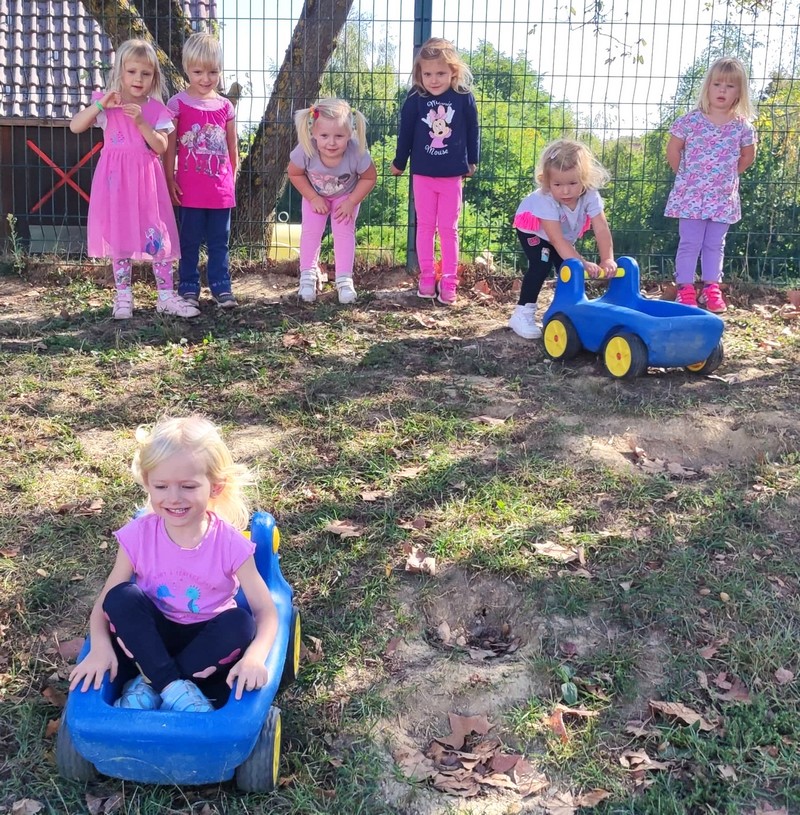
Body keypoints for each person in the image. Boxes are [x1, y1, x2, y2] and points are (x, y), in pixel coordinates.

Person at [68, 416, 279, 712]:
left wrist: (255, 657)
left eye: (188, 486)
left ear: (215, 487)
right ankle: (174, 689)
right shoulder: (138, 535)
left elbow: (266, 612)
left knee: (240, 623)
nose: (174, 498)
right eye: (161, 486)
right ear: (148, 484)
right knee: (121, 597)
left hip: (206, 642)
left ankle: (152, 685)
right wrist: (100, 647)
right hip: (150, 638)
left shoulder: (231, 544)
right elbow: (106, 602)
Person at [70, 40, 199, 320]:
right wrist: (100, 104)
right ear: (120, 71)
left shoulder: (156, 109)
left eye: (145, 73)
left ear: (154, 77)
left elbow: (161, 146)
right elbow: (75, 126)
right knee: (120, 236)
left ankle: (166, 296)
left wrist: (141, 122)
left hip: (147, 184)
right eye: (131, 72)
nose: (138, 79)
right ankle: (123, 296)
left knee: (157, 235)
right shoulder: (108, 105)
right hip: (116, 184)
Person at [391, 37, 480, 306]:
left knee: (448, 229)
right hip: (423, 174)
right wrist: (399, 162)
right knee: (426, 227)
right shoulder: (415, 98)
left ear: (453, 71)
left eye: (440, 73)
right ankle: (427, 278)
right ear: (419, 73)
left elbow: (473, 130)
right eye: (427, 74)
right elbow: (406, 132)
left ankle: (449, 281)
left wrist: (472, 160)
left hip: (452, 176)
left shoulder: (463, 97)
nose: (433, 79)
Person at [665, 57, 756, 313]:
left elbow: (748, 156)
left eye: (730, 86)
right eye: (717, 84)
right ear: (708, 87)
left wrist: (726, 177)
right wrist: (686, 176)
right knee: (690, 242)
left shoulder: (742, 127)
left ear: (739, 91)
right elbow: (673, 149)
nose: (722, 90)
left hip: (723, 197)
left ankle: (711, 288)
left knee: (715, 243)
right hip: (691, 195)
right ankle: (685, 288)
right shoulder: (690, 121)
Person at [509, 139, 616, 339]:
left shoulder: (590, 195)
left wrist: (607, 259)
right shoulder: (545, 199)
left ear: (584, 178)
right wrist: (583, 262)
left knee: (569, 269)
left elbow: (601, 228)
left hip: (561, 236)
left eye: (573, 183)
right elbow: (556, 240)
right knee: (541, 264)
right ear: (547, 182)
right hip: (534, 232)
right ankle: (523, 313)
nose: (565, 191)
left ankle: (570, 310)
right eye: (557, 184)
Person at [165, 32, 240, 310]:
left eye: (213, 72)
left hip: (220, 191)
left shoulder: (226, 106)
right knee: (190, 240)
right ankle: (188, 286)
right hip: (189, 190)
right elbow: (169, 148)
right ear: (186, 68)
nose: (206, 78)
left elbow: (232, 147)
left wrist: (231, 179)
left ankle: (221, 286)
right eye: (198, 72)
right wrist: (169, 178)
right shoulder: (177, 104)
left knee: (220, 241)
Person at [287, 98, 377, 304]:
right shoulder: (306, 149)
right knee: (311, 233)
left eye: (339, 136)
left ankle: (344, 280)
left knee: (344, 233)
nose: (331, 142)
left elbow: (369, 177)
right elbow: (294, 173)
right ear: (314, 133)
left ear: (350, 134)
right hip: (315, 196)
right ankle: (307, 277)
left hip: (346, 197)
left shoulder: (357, 151)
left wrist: (352, 201)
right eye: (324, 136)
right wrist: (313, 197)